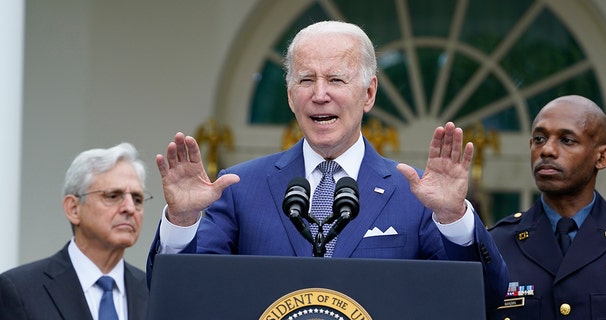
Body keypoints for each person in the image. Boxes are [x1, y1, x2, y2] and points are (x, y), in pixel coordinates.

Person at [147, 20, 508, 310]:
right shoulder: (240, 187)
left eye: (336, 79)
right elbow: (183, 298)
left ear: (369, 93)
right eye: (306, 80)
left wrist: (453, 219)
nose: (320, 94)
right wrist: (181, 223)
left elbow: (483, 301)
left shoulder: (415, 195)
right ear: (290, 96)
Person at [488, 95, 606, 319]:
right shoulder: (496, 244)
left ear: (603, 157)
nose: (547, 150)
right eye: (539, 138)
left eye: (567, 140)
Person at [0, 143, 150, 320]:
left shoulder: (153, 291)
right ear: (73, 208)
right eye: (112, 196)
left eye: (137, 199)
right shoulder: (20, 290)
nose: (130, 208)